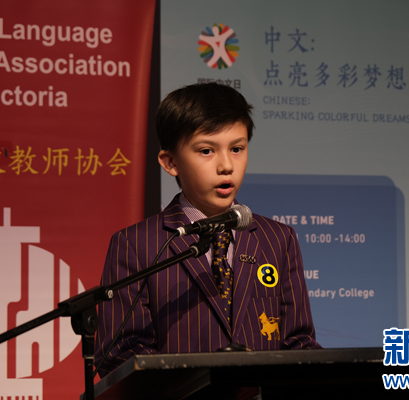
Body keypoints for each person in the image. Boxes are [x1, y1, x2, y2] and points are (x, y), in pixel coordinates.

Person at [95, 83, 321, 377]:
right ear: (171, 162)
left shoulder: (277, 238)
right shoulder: (137, 244)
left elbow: (299, 342)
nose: (226, 165)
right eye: (206, 151)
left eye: (237, 149)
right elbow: (120, 353)